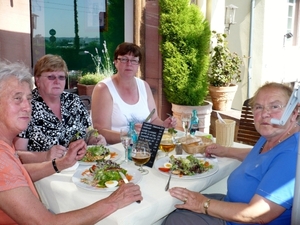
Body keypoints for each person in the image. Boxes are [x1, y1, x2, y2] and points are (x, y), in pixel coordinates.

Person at [0, 61, 142, 224]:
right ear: (38, 81)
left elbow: (18, 173)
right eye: (17, 99)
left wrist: (61, 163)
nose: (27, 106)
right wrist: (113, 202)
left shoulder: (5, 146)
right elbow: (45, 223)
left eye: (28, 99)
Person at [163, 82, 299, 225]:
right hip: (231, 203)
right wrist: (226, 151)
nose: (265, 114)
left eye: (275, 106)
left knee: (175, 220)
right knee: (174, 205)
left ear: (294, 112)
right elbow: (263, 157)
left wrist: (202, 204)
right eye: (258, 107)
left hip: (242, 219)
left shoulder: (292, 154)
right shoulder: (274, 136)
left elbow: (257, 214)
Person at [13, 54, 107, 163]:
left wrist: (95, 139)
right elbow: (17, 155)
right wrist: (46, 156)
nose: (57, 82)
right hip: (44, 173)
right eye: (51, 77)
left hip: (80, 167)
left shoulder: (73, 101)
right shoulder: (26, 107)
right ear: (37, 80)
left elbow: (87, 133)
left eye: (61, 77)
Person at [91, 42, 176, 144]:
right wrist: (129, 136)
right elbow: (100, 131)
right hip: (115, 152)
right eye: (124, 59)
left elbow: (153, 120)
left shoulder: (144, 86)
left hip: (144, 149)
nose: (129, 64)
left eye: (134, 60)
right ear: (115, 61)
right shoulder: (104, 89)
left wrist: (164, 125)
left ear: (138, 65)